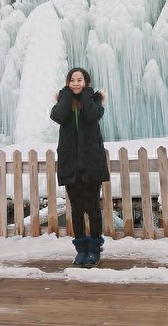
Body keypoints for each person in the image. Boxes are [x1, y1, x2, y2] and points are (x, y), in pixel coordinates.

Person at [50, 67, 109, 267]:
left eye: (80, 80)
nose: (76, 83)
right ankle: (81, 249)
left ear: (86, 83)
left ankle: (94, 248)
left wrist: (87, 95)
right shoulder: (62, 103)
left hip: (91, 164)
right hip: (71, 165)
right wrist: (65, 96)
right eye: (72, 80)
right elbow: (59, 116)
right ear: (67, 83)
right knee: (76, 209)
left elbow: (91, 116)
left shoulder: (95, 102)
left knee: (92, 208)